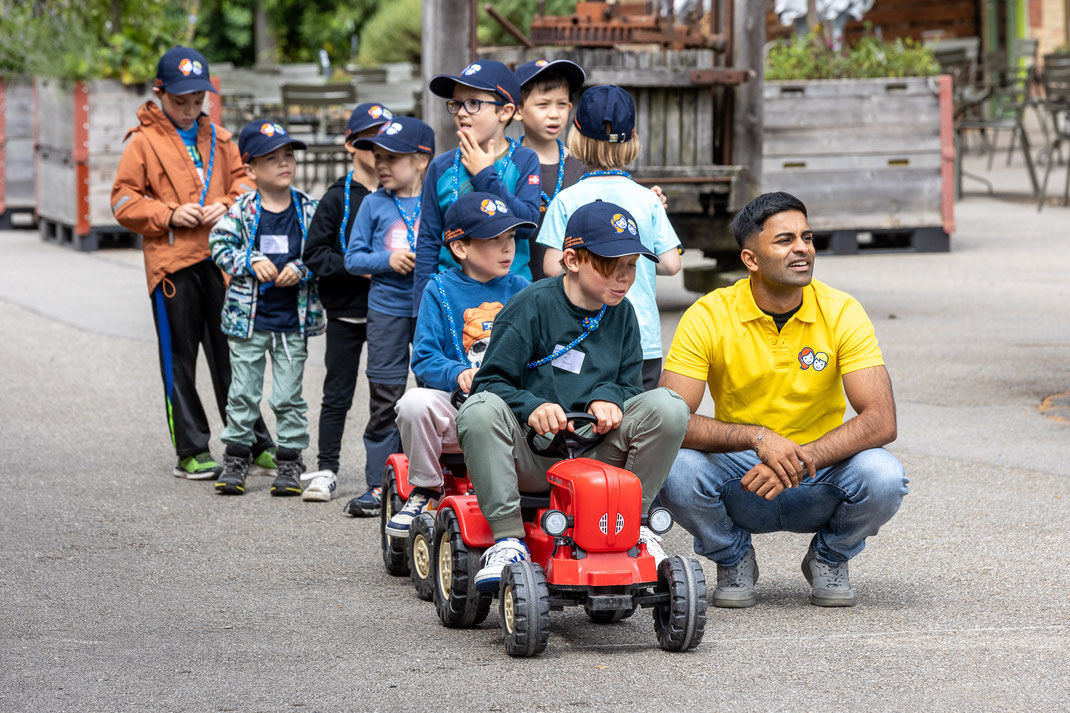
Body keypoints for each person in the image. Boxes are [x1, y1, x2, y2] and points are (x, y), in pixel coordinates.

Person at [657, 191, 908, 608]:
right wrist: (758, 438)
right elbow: (671, 419)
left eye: (806, 237)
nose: (802, 249)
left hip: (822, 471)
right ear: (750, 259)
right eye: (785, 240)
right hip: (743, 474)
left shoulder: (842, 310)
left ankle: (829, 557)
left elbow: (882, 420)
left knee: (884, 475)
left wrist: (800, 460)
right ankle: (733, 557)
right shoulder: (708, 315)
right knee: (675, 470)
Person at [455, 200, 691, 593]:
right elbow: (489, 382)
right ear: (572, 259)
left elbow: (631, 388)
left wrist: (608, 396)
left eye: (632, 265)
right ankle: (508, 541)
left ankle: (635, 525)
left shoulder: (624, 314)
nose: (624, 277)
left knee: (669, 406)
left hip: (595, 453)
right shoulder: (531, 305)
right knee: (479, 411)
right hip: (534, 456)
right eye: (610, 264)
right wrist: (532, 407)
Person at [112, 45, 275, 480]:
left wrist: (227, 203)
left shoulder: (220, 138)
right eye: (180, 101)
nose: (189, 110)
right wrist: (169, 214)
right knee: (179, 360)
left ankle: (251, 441)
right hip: (171, 265)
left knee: (233, 356)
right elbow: (123, 201)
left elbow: (247, 181)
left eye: (197, 100)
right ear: (159, 93)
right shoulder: (141, 142)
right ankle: (191, 449)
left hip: (221, 262)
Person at [385, 191, 533, 537]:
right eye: (494, 240)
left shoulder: (524, 289)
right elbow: (424, 358)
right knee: (413, 403)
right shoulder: (438, 289)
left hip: (512, 415)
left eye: (511, 237)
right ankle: (426, 488)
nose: (508, 248)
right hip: (457, 408)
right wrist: (458, 372)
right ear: (460, 247)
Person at [538, 85, 683, 390]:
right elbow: (671, 264)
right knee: (637, 414)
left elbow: (551, 267)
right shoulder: (648, 200)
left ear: (576, 138)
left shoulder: (565, 199)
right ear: (633, 140)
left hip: (580, 335)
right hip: (641, 337)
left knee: (581, 414)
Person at [208, 120, 323, 496]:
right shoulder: (241, 210)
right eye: (272, 158)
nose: (284, 163)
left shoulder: (309, 209)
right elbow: (219, 245)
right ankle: (236, 457)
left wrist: (301, 269)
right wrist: (249, 260)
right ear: (250, 169)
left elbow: (322, 253)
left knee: (288, 395)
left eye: (288, 155)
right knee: (243, 392)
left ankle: (289, 460)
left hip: (292, 322)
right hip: (249, 322)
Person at [300, 102, 394, 503]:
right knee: (337, 392)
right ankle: (326, 468)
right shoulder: (337, 197)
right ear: (350, 144)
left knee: (388, 394)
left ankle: (388, 473)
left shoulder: (402, 195)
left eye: (386, 140)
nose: (378, 151)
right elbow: (314, 254)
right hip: (346, 311)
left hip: (391, 312)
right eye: (369, 141)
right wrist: (356, 268)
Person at [342, 116, 436, 516]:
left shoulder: (437, 200)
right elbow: (352, 258)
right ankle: (378, 485)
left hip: (430, 309)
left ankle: (431, 484)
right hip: (386, 310)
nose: (381, 165)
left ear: (421, 160)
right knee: (385, 395)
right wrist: (388, 259)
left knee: (432, 394)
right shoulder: (373, 203)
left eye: (392, 158)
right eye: (378, 157)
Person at [412, 60, 542, 311]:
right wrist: (420, 308)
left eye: (473, 103)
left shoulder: (524, 160)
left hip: (512, 298)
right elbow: (428, 240)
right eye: (456, 104)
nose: (461, 112)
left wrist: (484, 175)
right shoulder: (440, 167)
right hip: (450, 299)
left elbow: (527, 225)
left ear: (505, 112)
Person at [512, 59, 588, 280]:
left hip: (571, 287)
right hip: (517, 285)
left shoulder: (582, 167)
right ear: (517, 110)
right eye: (543, 105)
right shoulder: (507, 165)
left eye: (561, 104)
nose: (554, 114)